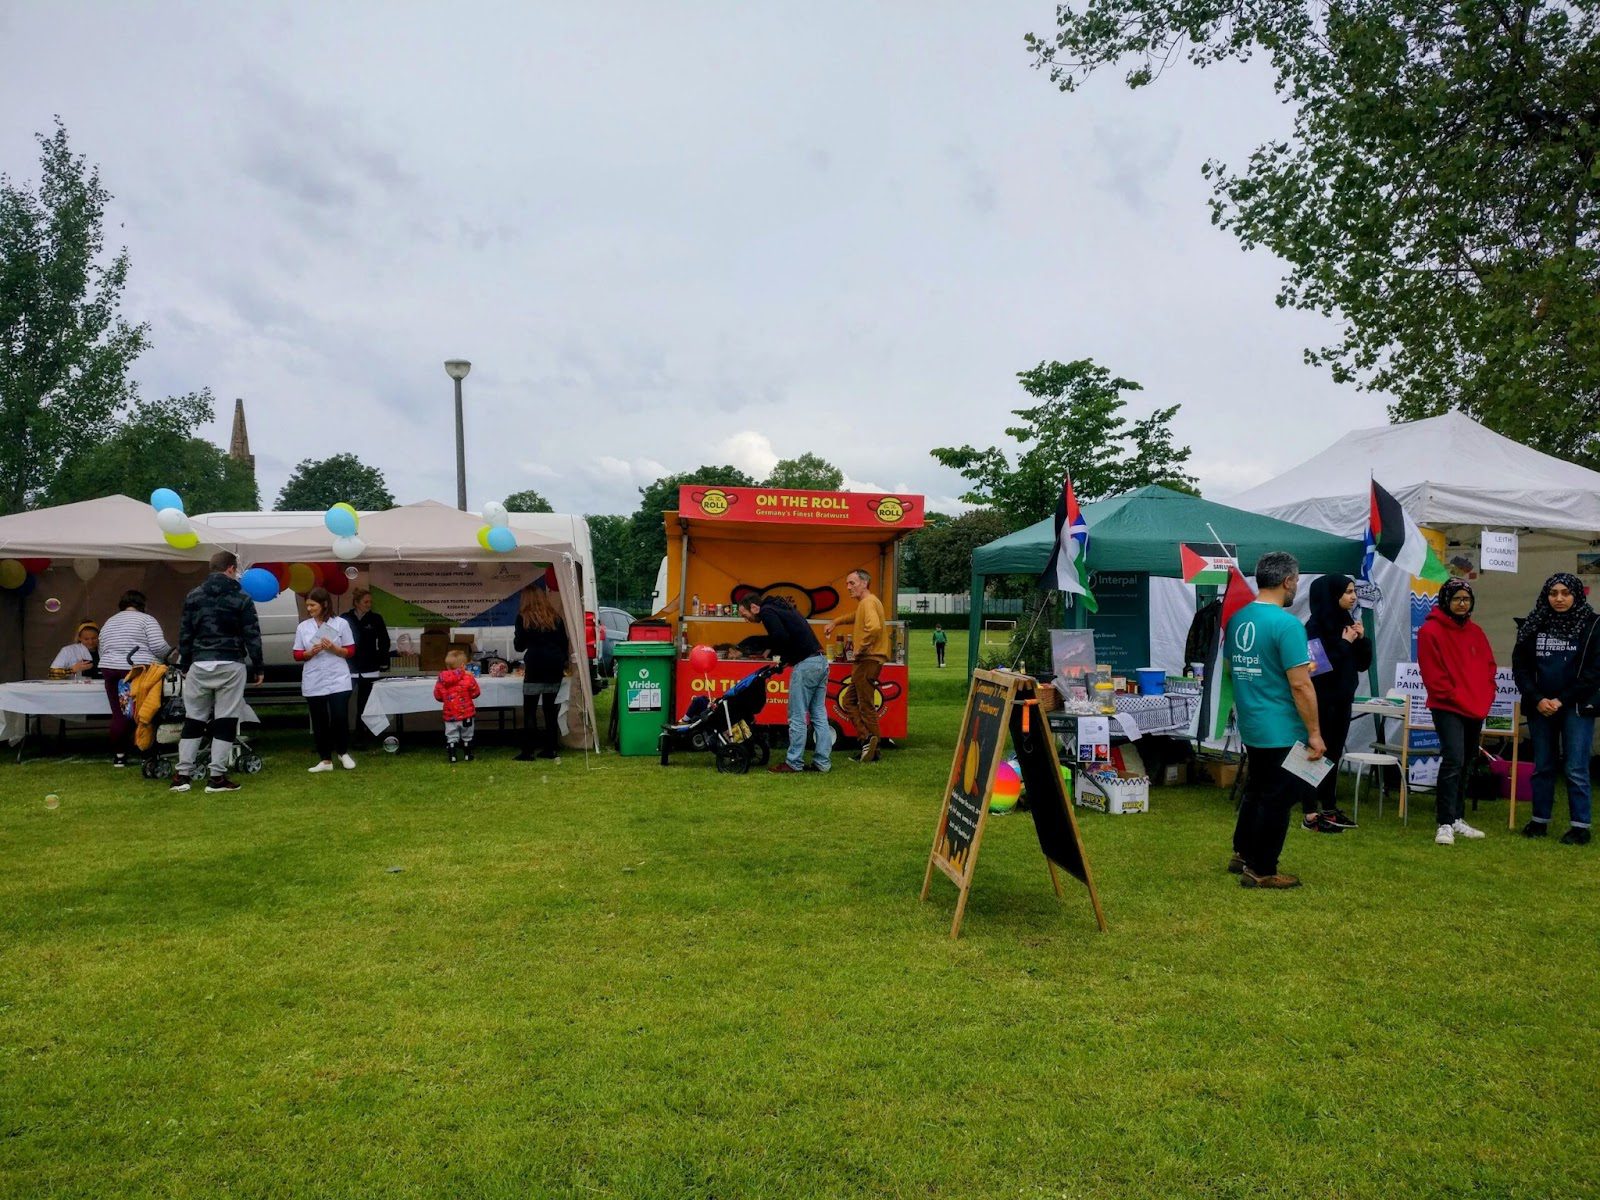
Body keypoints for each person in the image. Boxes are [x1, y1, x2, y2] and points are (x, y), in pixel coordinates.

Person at [1226, 551, 1324, 889]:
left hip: (1252, 721)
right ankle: (1262, 868)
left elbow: (1231, 670)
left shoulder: (1238, 618)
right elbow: (1300, 685)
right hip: (1281, 725)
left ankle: (1242, 852)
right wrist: (1314, 733)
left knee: (1256, 789)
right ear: (1287, 581)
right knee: (1278, 797)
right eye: (1296, 580)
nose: (1296, 586)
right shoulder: (1287, 624)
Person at [1512, 573, 1600, 844]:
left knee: (1575, 767)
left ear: (1576, 595)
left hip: (1576, 706)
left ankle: (1580, 826)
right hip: (1540, 706)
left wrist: (1561, 699)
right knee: (1543, 766)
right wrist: (1538, 698)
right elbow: (1521, 667)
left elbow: (1594, 672)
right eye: (1553, 593)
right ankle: (1539, 820)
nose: (1559, 599)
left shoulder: (1593, 624)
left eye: (1565, 593)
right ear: (1546, 595)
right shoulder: (1533, 623)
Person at [171, 551, 263, 794]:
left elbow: (185, 633)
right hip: (230, 661)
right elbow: (252, 634)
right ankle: (217, 777)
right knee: (226, 719)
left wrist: (185, 663)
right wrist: (259, 666)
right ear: (231, 569)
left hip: (200, 663)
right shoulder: (241, 596)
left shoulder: (194, 595)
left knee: (194, 718)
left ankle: (182, 775)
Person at [1417, 578, 1495, 845]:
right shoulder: (1431, 631)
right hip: (1447, 705)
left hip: (1474, 706)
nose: (1462, 604)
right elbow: (1433, 674)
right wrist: (1455, 696)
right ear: (1445, 601)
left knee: (1468, 760)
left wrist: (1486, 694)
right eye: (1457, 599)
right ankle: (1445, 822)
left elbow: (1488, 666)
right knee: (1453, 759)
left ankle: (1457, 816)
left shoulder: (1476, 632)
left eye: (1466, 599)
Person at [1300, 574, 1369, 833]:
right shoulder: (1314, 626)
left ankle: (1329, 808)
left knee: (1333, 754)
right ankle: (1310, 811)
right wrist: (1344, 643)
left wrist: (1362, 640)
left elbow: (1362, 664)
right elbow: (1316, 667)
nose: (1353, 597)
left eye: (1354, 591)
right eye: (1348, 592)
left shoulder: (1348, 622)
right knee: (1316, 753)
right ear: (1332, 595)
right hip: (1321, 699)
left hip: (1342, 698)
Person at [736, 592, 831, 773]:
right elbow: (792, 637)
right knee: (818, 715)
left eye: (744, 614)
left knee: (796, 716)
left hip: (806, 666)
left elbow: (780, 637)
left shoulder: (767, 612)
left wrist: (770, 651)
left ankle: (794, 763)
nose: (745, 619)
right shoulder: (781, 608)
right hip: (820, 661)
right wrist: (785, 659)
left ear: (754, 608)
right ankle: (822, 762)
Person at [97, 590, 172, 768]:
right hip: (137, 669)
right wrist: (172, 654)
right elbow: (158, 646)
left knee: (120, 713)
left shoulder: (110, 621)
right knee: (145, 711)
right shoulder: (147, 620)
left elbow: (102, 647)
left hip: (110, 669)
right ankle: (146, 751)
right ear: (143, 605)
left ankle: (119, 755)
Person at [825, 569, 889, 763]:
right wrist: (835, 621)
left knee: (865, 705)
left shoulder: (868, 602)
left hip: (868, 660)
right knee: (849, 702)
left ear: (864, 583)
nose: (848, 587)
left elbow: (875, 627)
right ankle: (867, 742)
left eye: (851, 583)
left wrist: (861, 648)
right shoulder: (867, 603)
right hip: (868, 660)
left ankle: (871, 746)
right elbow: (856, 616)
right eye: (847, 584)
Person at [294, 586, 357, 773]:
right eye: (308, 606)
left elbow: (350, 650)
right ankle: (325, 759)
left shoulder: (340, 624)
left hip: (338, 678)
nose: (309, 609)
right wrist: (309, 653)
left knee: (339, 716)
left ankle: (343, 752)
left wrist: (334, 649)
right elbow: (297, 654)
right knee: (319, 719)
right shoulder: (303, 627)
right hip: (314, 678)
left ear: (324, 604)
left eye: (313, 605)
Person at [513, 582, 569, 762]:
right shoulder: (555, 617)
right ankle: (551, 748)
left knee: (530, 709)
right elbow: (563, 642)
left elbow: (519, 646)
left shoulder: (523, 618)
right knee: (550, 709)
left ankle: (528, 751)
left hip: (536, 664)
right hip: (554, 664)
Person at [342, 587, 391, 734]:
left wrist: (381, 660)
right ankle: (340, 735)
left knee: (364, 704)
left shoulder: (376, 619)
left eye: (370, 602)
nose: (369, 604)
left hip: (369, 667)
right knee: (342, 702)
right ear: (356, 603)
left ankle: (361, 735)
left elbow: (384, 641)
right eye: (366, 601)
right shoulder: (345, 618)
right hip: (348, 667)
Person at [434, 647, 481, 763]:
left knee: (451, 735)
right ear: (463, 665)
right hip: (467, 714)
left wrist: (447, 699)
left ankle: (452, 755)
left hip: (450, 714)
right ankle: (467, 755)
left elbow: (437, 696)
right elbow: (476, 693)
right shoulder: (468, 677)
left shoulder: (442, 679)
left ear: (447, 665)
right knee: (467, 735)